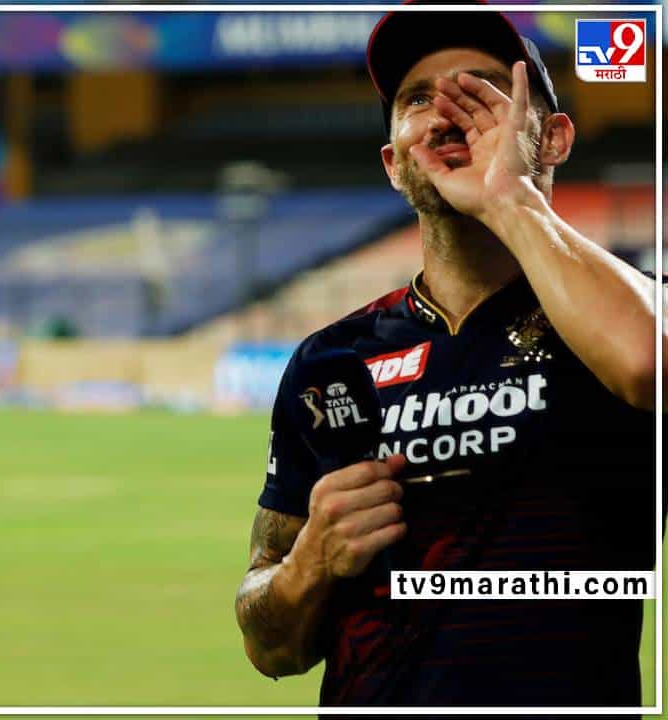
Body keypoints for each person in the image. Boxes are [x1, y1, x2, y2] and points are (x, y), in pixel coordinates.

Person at [234, 6, 660, 707]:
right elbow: (268, 647)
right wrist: (311, 562)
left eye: (482, 92)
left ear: (553, 138)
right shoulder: (331, 362)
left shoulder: (628, 313)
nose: (446, 113)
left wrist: (510, 199)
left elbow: (648, 365)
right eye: (416, 100)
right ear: (393, 164)